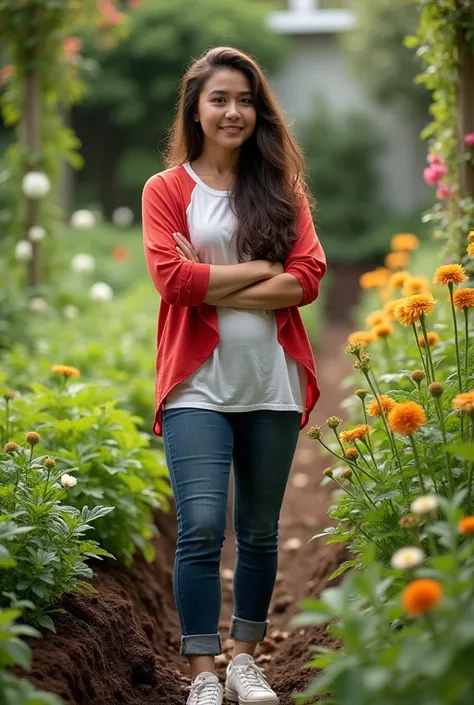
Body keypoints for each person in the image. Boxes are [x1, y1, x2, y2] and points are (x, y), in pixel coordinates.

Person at [142, 46, 326, 705]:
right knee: (198, 524)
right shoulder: (165, 191)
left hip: (270, 381)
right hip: (196, 382)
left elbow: (305, 277)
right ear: (195, 108)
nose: (234, 111)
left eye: (245, 99)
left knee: (258, 528)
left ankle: (245, 659)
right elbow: (172, 280)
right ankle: (201, 671)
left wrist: (215, 281)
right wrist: (258, 270)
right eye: (220, 98)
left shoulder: (280, 187)